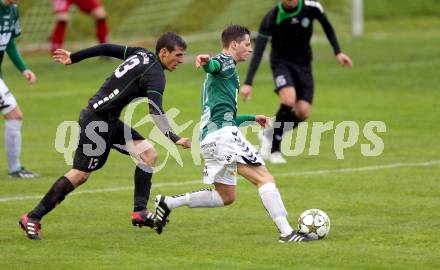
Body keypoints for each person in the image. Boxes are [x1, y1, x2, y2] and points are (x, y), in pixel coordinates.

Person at [18, 32, 191, 240]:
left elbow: (105, 47)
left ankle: (140, 212)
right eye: (178, 55)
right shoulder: (155, 75)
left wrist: (74, 57)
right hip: (96, 122)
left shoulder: (141, 53)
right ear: (164, 52)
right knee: (80, 174)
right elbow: (155, 111)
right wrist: (175, 138)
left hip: (108, 119)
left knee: (148, 155)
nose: (181, 61)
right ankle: (32, 217)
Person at [153, 25, 313, 243]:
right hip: (223, 137)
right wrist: (206, 61)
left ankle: (169, 203)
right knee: (264, 178)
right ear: (234, 45)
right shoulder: (226, 61)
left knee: (225, 196)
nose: (250, 49)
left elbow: (222, 114)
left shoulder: (226, 74)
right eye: (247, 44)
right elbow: (215, 65)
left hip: (210, 137)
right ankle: (287, 233)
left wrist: (250, 118)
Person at [240, 0, 353, 163]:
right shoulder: (271, 17)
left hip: (304, 64)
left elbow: (327, 26)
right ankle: (275, 150)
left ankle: (268, 134)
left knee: (303, 112)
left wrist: (338, 52)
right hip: (281, 63)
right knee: (288, 99)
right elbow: (258, 52)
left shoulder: (312, 7)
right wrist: (248, 82)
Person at [0, 0, 38, 178]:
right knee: (15, 115)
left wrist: (24, 68)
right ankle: (14, 169)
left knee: (14, 116)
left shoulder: (13, 10)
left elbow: (9, 44)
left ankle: (15, 169)